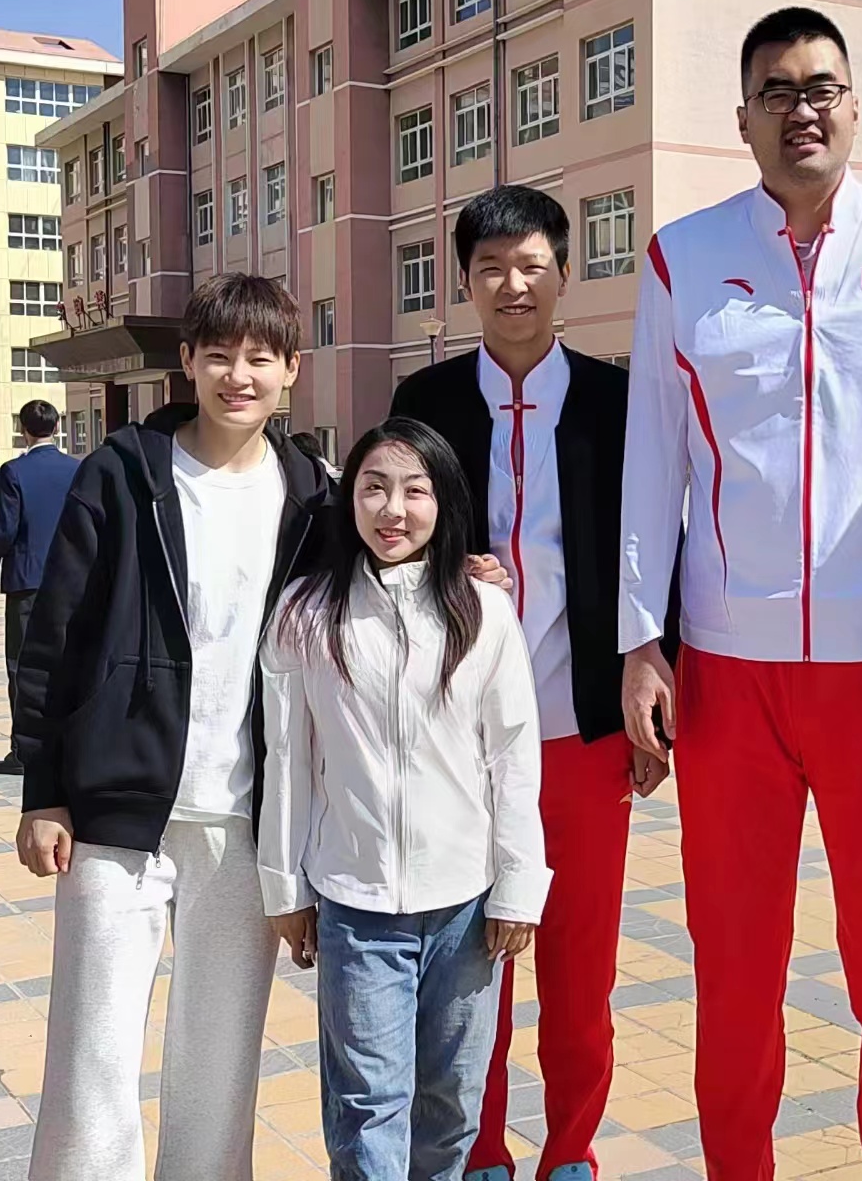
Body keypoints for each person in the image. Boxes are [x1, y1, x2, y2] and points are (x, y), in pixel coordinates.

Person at [615, 6, 862, 1180]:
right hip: (729, 669)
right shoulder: (683, 258)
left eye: (820, 87)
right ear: (743, 118)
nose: (802, 110)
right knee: (734, 962)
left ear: (854, 107)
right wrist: (642, 639)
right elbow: (652, 459)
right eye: (777, 92)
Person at [9, 274, 332, 1181]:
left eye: (261, 357)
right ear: (186, 362)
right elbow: (56, 636)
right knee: (92, 1058)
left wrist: (467, 575)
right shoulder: (124, 474)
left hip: (243, 822)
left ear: (292, 370)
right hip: (116, 814)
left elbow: (371, 603)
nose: (239, 375)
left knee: (220, 1063)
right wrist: (44, 792)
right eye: (219, 355)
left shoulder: (312, 495)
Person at [390, 187, 663, 1181]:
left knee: (581, 968)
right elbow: (384, 541)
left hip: (582, 731)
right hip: (459, 743)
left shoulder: (617, 402)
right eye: (491, 268)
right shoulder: (424, 404)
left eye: (532, 265)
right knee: (474, 968)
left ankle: (571, 1151)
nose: (514, 286)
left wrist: (650, 688)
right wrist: (444, 573)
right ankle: (481, 1152)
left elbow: (654, 550)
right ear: (464, 282)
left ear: (564, 274)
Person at [258, 418, 547, 1181]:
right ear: (349, 497)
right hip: (356, 904)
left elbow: (513, 756)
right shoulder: (306, 612)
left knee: (451, 1103)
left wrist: (519, 889)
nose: (393, 510)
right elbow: (288, 759)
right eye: (374, 488)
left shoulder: (483, 611)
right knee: (367, 1107)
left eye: (415, 491)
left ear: (443, 501)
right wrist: (285, 886)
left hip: (466, 908)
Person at [0, 400, 79, 777]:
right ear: (57, 427)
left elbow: (5, 529)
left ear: (23, 430)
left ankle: (25, 751)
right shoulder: (78, 469)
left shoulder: (14, 472)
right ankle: (70, 747)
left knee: (22, 667)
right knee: (68, 662)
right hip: (72, 582)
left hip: (27, 583)